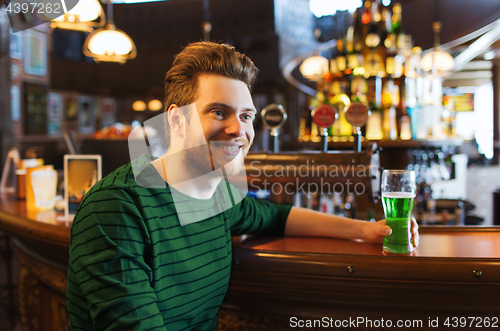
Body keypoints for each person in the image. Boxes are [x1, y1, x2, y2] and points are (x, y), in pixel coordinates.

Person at [66, 41, 419, 331]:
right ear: (176, 119)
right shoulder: (117, 207)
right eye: (219, 112)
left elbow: (276, 216)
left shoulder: (218, 197)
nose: (239, 130)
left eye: (246, 116)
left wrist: (365, 230)